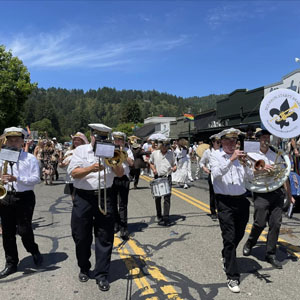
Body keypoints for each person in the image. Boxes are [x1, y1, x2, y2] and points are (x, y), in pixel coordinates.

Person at [67, 123, 124, 292]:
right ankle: (84, 267)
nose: (100, 140)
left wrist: (114, 162)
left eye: (104, 138)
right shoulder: (81, 151)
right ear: (91, 136)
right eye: (97, 137)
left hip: (105, 195)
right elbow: (73, 173)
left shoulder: (112, 150)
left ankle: (102, 274)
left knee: (105, 236)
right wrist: (91, 168)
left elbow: (120, 174)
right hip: (83, 197)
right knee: (81, 235)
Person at [242, 129, 295, 269]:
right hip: (261, 192)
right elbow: (246, 174)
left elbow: (284, 176)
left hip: (277, 192)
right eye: (263, 137)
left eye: (267, 137)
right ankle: (250, 243)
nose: (265, 140)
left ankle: (270, 254)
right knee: (259, 223)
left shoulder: (276, 155)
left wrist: (289, 196)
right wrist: (260, 169)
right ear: (258, 139)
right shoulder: (251, 155)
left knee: (276, 224)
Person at [210, 128, 253, 293]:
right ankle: (232, 276)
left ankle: (226, 255)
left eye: (234, 141)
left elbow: (249, 178)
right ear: (221, 142)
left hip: (241, 200)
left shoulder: (241, 157)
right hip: (224, 201)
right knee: (229, 238)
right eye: (228, 141)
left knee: (239, 234)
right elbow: (216, 174)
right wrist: (231, 160)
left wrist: (248, 165)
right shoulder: (216, 155)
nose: (231, 144)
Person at [0, 127, 42, 279]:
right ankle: (11, 263)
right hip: (5, 197)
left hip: (24, 197)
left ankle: (34, 250)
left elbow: (36, 179)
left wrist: (17, 179)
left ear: (22, 141)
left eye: (17, 140)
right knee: (8, 233)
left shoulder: (30, 158)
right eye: (10, 140)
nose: (13, 142)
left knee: (24, 231)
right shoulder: (1, 156)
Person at [111, 131, 134, 240]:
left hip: (124, 178)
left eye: (120, 140)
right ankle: (116, 224)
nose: (118, 141)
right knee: (113, 203)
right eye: (116, 139)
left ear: (124, 141)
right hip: (112, 178)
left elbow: (132, 163)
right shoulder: (110, 149)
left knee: (123, 204)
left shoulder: (127, 150)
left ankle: (124, 227)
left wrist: (123, 154)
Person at [149, 139, 177, 226]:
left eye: (166, 145)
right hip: (158, 177)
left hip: (167, 177)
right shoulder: (155, 153)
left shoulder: (171, 154)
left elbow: (175, 165)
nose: (164, 147)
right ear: (160, 145)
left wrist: (173, 169)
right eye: (163, 145)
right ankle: (159, 215)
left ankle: (166, 217)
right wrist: (153, 169)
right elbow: (151, 163)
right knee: (157, 198)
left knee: (167, 198)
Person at [59, 132, 89, 201]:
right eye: (75, 140)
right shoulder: (69, 152)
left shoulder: (86, 151)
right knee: (73, 199)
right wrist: (62, 165)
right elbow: (63, 165)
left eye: (78, 140)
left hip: (82, 178)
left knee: (81, 199)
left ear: (82, 141)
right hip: (70, 179)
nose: (76, 142)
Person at [200, 134, 221, 221]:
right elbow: (201, 162)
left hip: (221, 174)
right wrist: (205, 168)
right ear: (213, 142)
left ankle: (221, 211)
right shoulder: (208, 152)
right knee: (213, 194)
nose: (219, 144)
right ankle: (213, 211)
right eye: (217, 142)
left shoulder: (222, 151)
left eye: (220, 142)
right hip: (212, 173)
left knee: (221, 194)